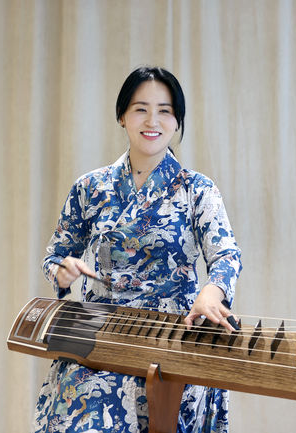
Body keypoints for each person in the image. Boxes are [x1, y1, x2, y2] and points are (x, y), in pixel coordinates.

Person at [32, 66, 242, 433]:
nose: (152, 121)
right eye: (141, 109)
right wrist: (62, 272)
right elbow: (55, 255)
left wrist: (212, 291)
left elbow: (226, 254)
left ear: (177, 121)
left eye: (164, 111)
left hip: (171, 336)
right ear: (122, 116)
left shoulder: (197, 189)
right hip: (101, 336)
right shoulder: (90, 187)